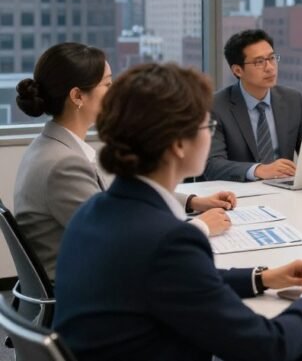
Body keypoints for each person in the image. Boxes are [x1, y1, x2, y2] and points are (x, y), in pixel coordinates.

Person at [54, 63, 302, 361]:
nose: (211, 135)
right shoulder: (168, 240)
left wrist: (263, 277)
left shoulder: (94, 211)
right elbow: (267, 347)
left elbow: (180, 281)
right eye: (209, 126)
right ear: (179, 143)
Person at [13, 42, 233, 278]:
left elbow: (118, 196)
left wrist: (193, 202)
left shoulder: (57, 146)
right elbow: (118, 239)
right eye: (107, 84)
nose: (115, 92)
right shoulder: (62, 165)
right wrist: (200, 227)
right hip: (86, 287)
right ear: (77, 96)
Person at [205, 29, 302, 181]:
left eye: (272, 58)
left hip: (284, 191)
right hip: (237, 195)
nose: (270, 68)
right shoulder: (215, 106)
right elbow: (212, 165)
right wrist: (258, 170)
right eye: (259, 62)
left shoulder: (293, 100)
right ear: (238, 70)